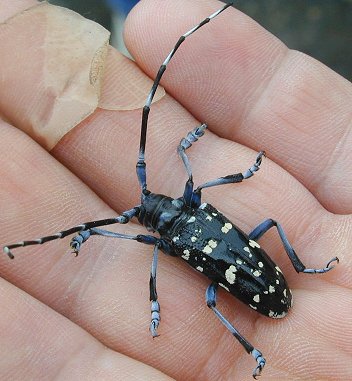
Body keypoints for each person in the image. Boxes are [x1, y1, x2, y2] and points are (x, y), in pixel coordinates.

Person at [0, 0, 351, 380]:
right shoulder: (188, 213)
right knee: (225, 279)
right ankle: (263, 333)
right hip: (262, 289)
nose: (144, 201)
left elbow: (132, 237)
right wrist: (93, 229)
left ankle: (275, 314)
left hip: (268, 284)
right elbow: (141, 235)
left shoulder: (166, 239)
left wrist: (91, 231)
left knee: (214, 295)